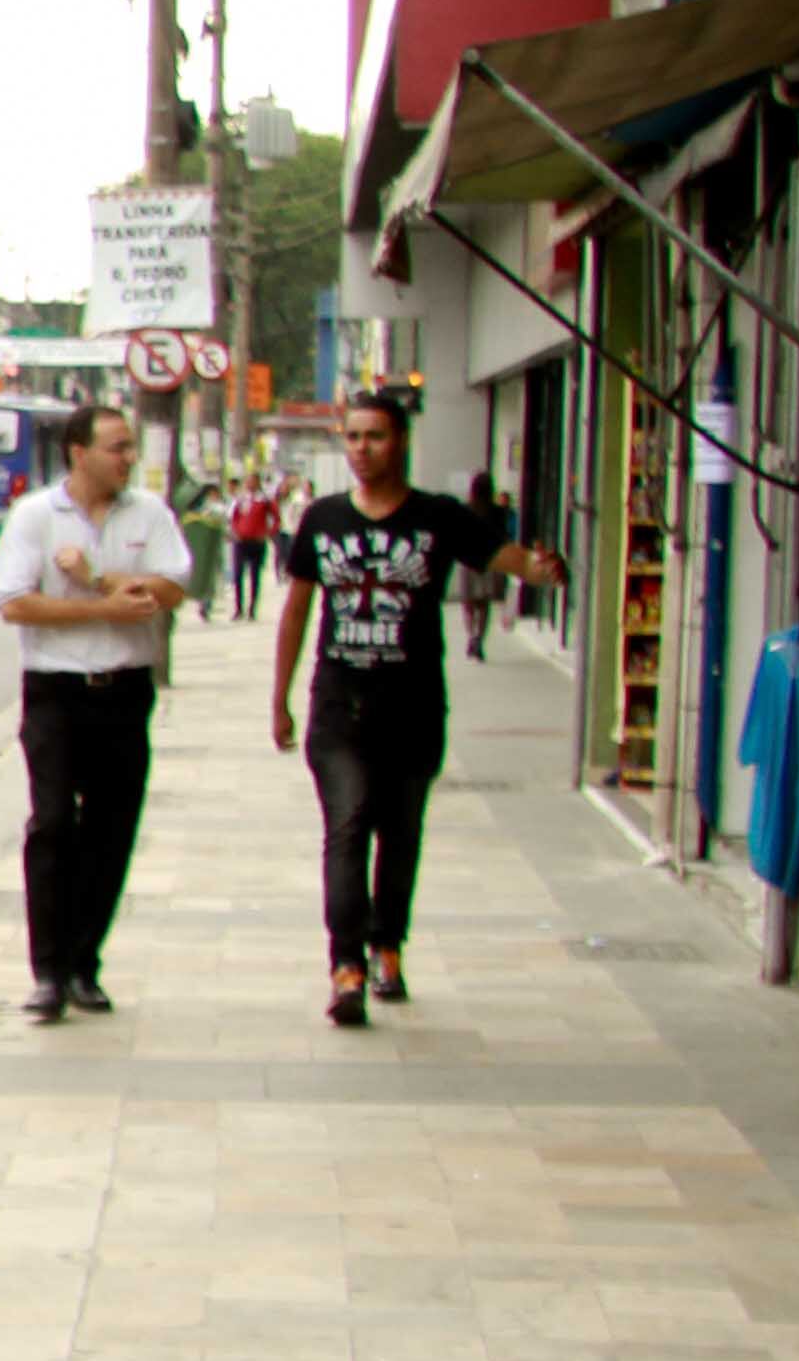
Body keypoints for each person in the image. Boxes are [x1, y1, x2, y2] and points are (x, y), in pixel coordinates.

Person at [272, 395, 569, 1029]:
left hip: (412, 708)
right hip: (339, 707)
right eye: (351, 437)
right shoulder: (322, 519)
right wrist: (280, 700)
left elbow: (505, 558)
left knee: (399, 835)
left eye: (375, 436)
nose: (361, 449)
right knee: (347, 828)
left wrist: (542, 571)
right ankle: (345, 967)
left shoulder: (437, 518)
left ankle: (387, 947)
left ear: (401, 441)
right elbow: (297, 610)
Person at [0, 402, 193, 1025]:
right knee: (52, 823)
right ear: (79, 453)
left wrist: (100, 579)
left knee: (111, 829)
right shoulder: (34, 516)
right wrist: (109, 605)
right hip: (54, 691)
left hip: (124, 691)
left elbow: (171, 588)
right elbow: (17, 604)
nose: (128, 458)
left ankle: (85, 963)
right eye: (116, 447)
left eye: (131, 447)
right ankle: (47, 972)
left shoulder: (149, 514)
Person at [458, 468, 518, 660]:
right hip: (490, 562)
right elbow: (505, 537)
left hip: (467, 560)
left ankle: (470, 635)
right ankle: (479, 639)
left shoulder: (465, 509)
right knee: (484, 605)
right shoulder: (499, 512)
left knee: (468, 604)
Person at [225, 476, 276, 623]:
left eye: (252, 482)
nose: (250, 484)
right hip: (241, 541)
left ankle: (252, 609)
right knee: (238, 575)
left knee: (255, 576)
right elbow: (233, 518)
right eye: (248, 482)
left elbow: (276, 518)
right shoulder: (241, 500)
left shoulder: (264, 500)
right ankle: (238, 608)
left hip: (257, 542)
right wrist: (235, 532)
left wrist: (267, 533)